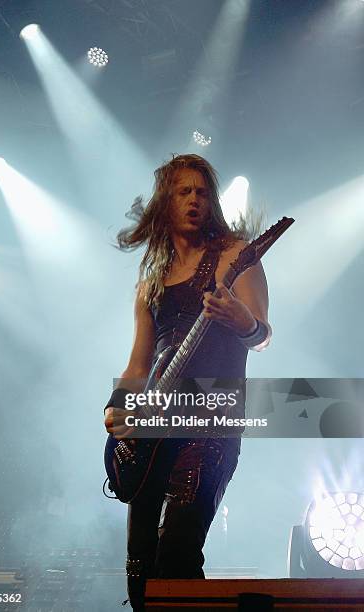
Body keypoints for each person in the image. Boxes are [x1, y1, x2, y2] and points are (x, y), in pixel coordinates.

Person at [104, 154, 271, 611]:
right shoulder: (151, 279)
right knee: (139, 567)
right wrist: (115, 407)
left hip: (210, 421)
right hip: (153, 426)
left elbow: (263, 334)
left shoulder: (238, 255)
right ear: (165, 203)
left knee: (177, 552)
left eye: (202, 191)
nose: (195, 199)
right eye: (184, 191)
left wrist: (242, 321)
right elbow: (139, 361)